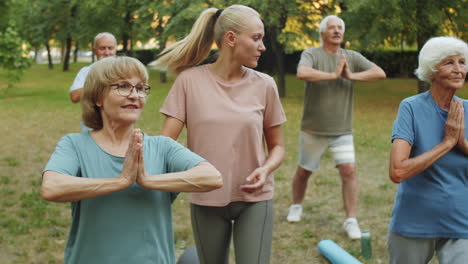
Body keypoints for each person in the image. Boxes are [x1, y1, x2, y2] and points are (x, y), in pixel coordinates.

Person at [41, 56, 223, 264]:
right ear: (98, 98)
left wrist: (146, 180)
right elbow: (51, 187)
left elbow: (212, 177)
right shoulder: (74, 145)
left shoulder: (162, 147)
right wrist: (120, 181)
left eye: (140, 88)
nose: (134, 95)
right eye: (123, 86)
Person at [153, 5, 286, 264]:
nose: (263, 47)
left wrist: (266, 169)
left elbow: (278, 146)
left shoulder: (265, 85)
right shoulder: (188, 82)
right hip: (206, 198)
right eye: (256, 38)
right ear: (231, 39)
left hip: (254, 199)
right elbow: (165, 145)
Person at [286, 15, 386, 240]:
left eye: (340, 28)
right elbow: (302, 73)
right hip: (313, 128)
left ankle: (351, 219)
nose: (337, 31)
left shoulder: (350, 56)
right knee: (304, 171)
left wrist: (351, 75)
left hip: (342, 129)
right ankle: (296, 205)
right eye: (331, 28)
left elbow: (379, 73)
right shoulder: (312, 54)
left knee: (349, 170)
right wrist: (333, 75)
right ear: (322, 33)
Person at [388, 36, 468, 264]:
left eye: (462, 62)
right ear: (432, 70)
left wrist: (461, 142)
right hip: (414, 220)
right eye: (448, 63)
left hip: (461, 221)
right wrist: (447, 144)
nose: (458, 69)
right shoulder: (411, 108)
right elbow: (397, 171)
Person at [69, 32, 117, 103]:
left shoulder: (125, 69)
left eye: (110, 48)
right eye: (102, 48)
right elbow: (74, 97)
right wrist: (98, 84)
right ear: (95, 50)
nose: (107, 53)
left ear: (115, 50)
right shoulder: (86, 71)